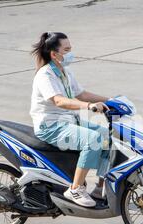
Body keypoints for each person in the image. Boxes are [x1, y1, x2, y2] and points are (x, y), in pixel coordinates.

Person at [30, 32, 110, 208]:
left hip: (68, 122)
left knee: (107, 136)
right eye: (66, 50)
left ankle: (101, 187)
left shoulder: (64, 71)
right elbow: (59, 101)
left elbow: (81, 94)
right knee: (93, 139)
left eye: (70, 49)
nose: (70, 54)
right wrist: (88, 106)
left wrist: (110, 100)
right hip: (50, 126)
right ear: (54, 54)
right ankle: (75, 189)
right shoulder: (45, 75)